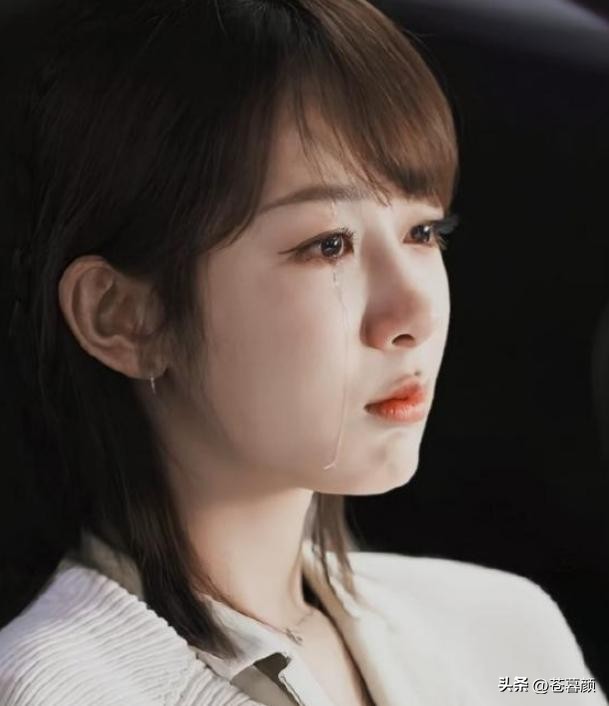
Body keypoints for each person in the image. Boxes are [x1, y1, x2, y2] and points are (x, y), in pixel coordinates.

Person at [0, 1, 605, 704]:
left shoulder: (508, 638)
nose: (412, 314)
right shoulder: (57, 690)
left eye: (423, 233)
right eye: (329, 246)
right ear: (124, 317)